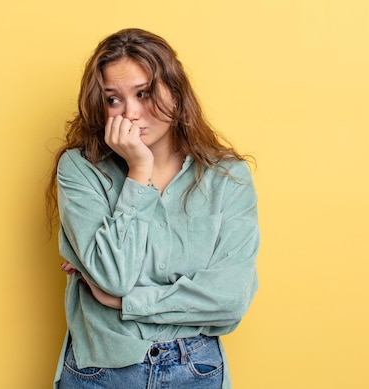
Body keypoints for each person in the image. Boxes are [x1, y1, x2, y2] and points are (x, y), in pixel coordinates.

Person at [45, 28, 260, 389]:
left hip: (196, 370)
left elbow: (230, 298)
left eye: (143, 93)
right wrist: (138, 170)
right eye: (113, 100)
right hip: (101, 370)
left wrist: (126, 301)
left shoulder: (227, 178)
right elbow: (114, 275)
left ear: (175, 93)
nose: (130, 113)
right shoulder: (80, 169)